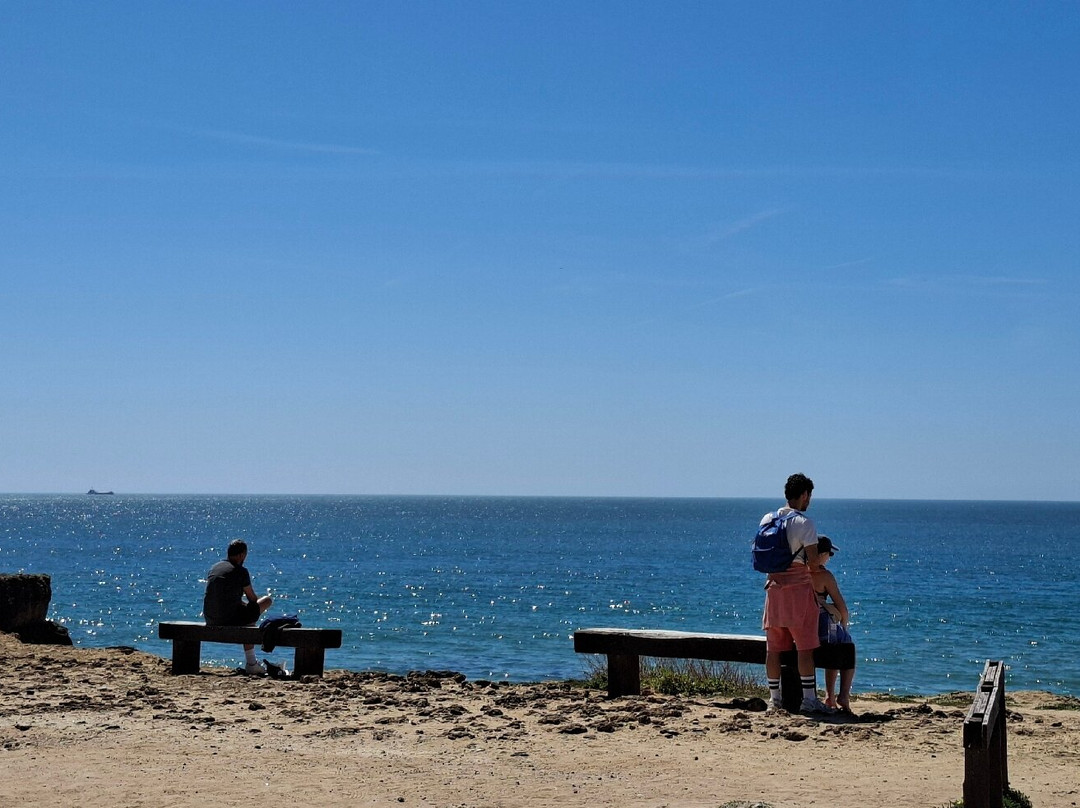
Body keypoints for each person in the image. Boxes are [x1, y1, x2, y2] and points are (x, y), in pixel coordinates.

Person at [761, 473, 833, 714]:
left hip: (773, 590)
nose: (809, 501)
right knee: (805, 647)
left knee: (773, 648)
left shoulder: (768, 519)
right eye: (809, 496)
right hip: (798, 592)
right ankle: (809, 700)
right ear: (804, 495)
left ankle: (774, 699)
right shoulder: (804, 523)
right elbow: (812, 562)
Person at [203, 539, 273, 675]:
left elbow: (223, 597)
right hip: (228, 619)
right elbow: (252, 599)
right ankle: (251, 663)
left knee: (248, 616)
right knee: (266, 602)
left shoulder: (214, 568)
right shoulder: (241, 571)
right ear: (241, 555)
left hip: (210, 618)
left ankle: (252, 662)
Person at [811, 535, 856, 714]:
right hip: (820, 629)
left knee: (835, 642)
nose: (830, 557)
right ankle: (841, 695)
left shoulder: (798, 572)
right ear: (821, 555)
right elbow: (842, 607)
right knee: (846, 644)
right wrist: (844, 625)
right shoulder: (824, 576)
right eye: (829, 554)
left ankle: (830, 696)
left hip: (802, 627)